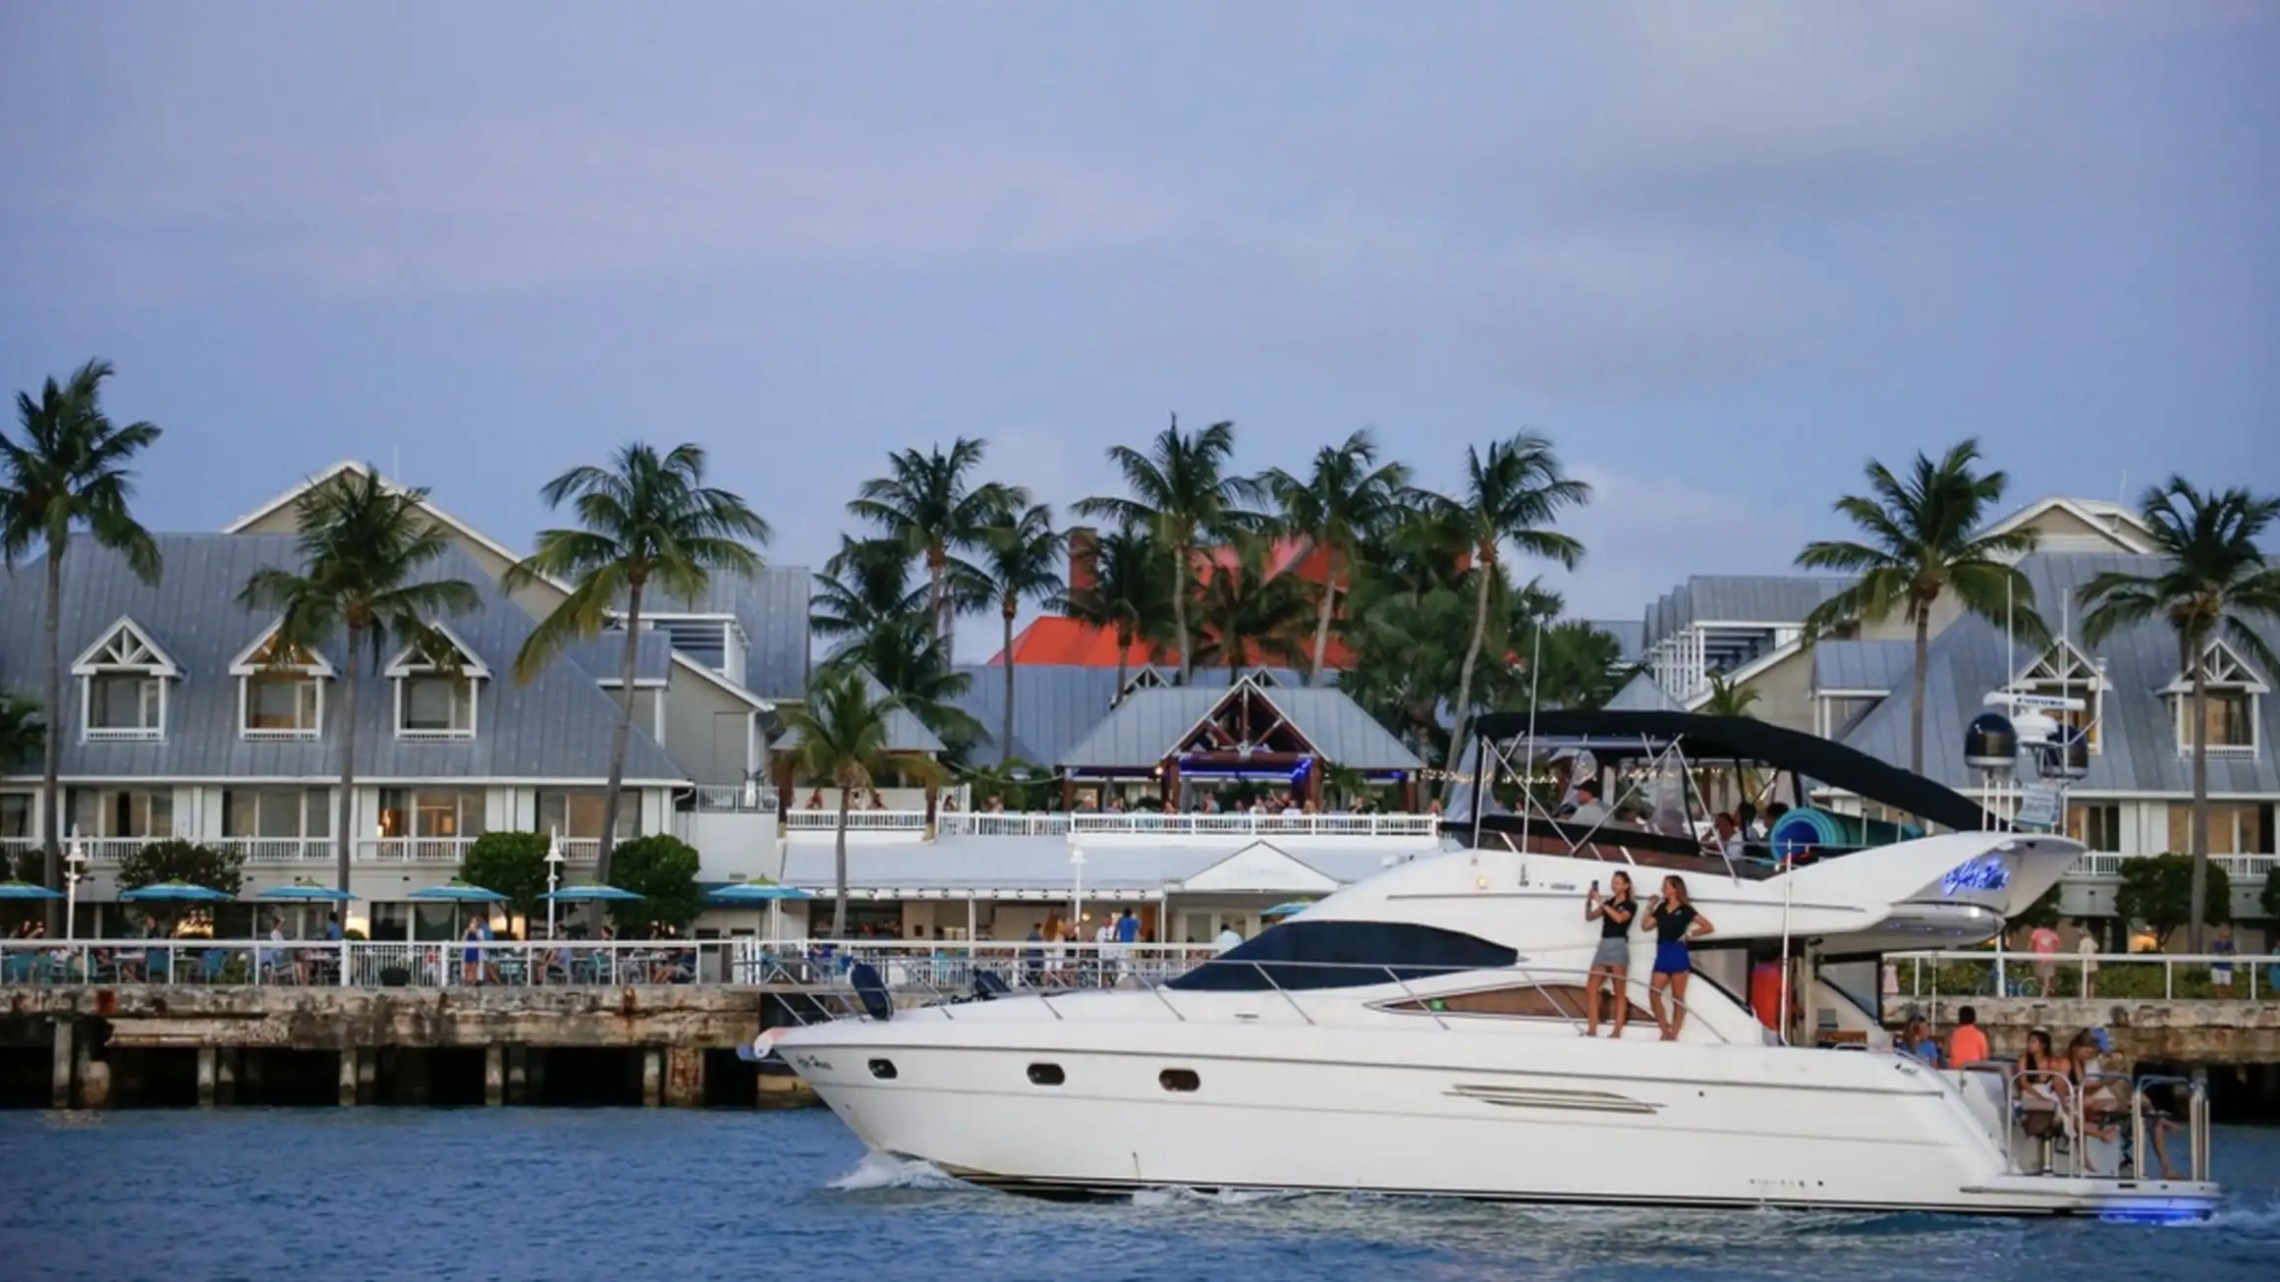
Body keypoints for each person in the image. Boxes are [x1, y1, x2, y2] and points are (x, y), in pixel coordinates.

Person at [1640, 875, 1712, 1041]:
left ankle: (1674, 1033)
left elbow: (1708, 927)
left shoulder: (1686, 909)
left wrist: (1689, 934)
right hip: (1663, 951)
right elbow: (1645, 926)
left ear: (1675, 889)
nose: (1662, 889)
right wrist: (1649, 907)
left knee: (1677, 996)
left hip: (1678, 951)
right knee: (1654, 993)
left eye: (1665, 886)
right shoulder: (1661, 907)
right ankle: (1665, 1029)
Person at [1583, 871, 1636, 1038]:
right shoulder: (1609, 902)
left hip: (1618, 944)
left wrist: (1602, 903)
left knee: (1619, 991)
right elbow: (1590, 917)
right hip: (1604, 944)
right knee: (1591, 987)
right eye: (1613, 882)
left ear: (1626, 886)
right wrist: (1588, 902)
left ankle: (1617, 1030)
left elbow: (1620, 919)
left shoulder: (1630, 904)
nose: (1614, 885)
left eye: (1618, 882)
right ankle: (1592, 1029)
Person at [2029, 922, 2061, 996]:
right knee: (2047, 976)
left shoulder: (2036, 932)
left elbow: (2032, 943)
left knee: (2042, 976)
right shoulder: (2052, 934)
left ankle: (2044, 993)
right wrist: (2051, 950)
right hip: (2050, 958)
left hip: (2039, 958)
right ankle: (2048, 989)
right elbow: (2057, 944)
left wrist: (2029, 952)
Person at [2210, 925, 2236, 994]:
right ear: (2219, 934)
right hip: (2217, 966)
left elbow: (2233, 952)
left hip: (2226, 967)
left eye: (2226, 931)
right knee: (2218, 985)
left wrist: (2228, 953)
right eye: (2223, 931)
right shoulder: (2215, 943)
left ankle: (2226, 1000)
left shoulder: (2230, 944)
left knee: (2227, 984)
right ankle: (2220, 1001)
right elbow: (2213, 952)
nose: (2225, 933)